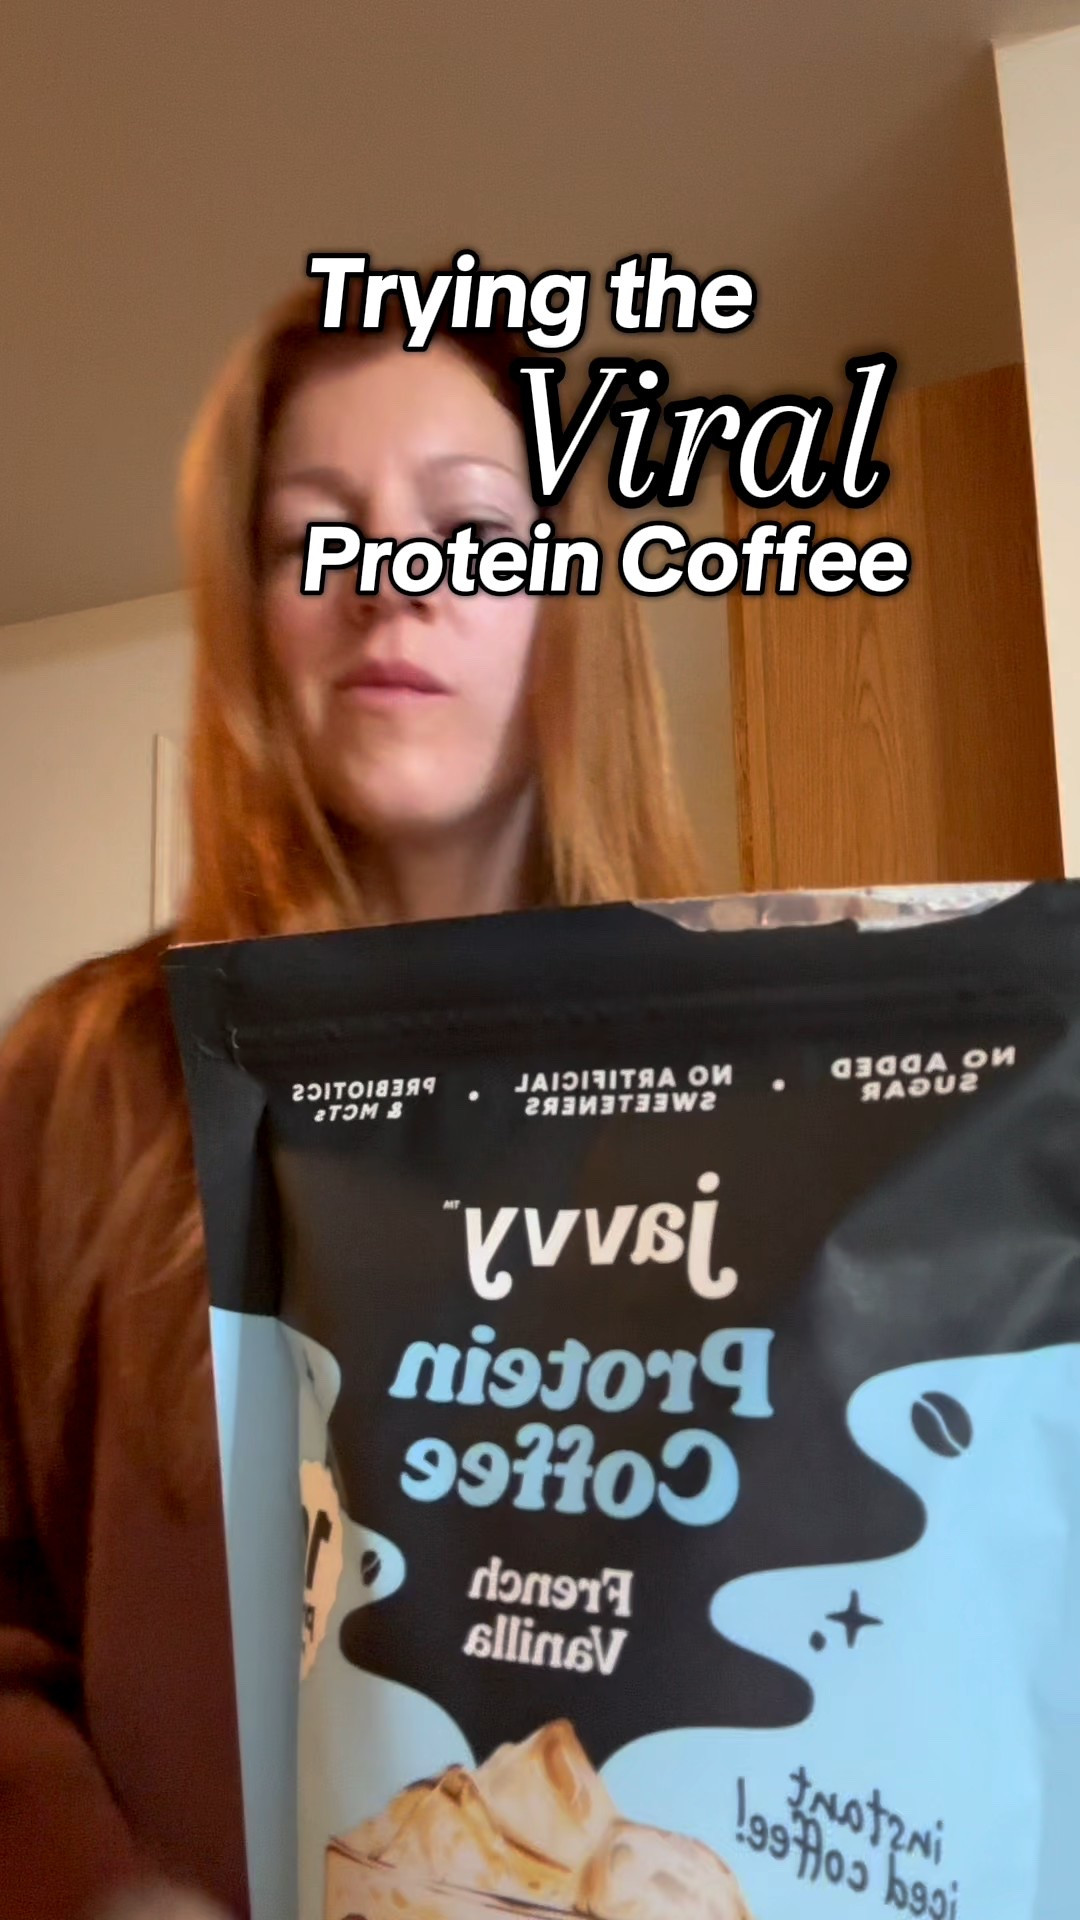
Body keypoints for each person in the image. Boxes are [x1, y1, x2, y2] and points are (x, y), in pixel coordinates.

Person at [0, 276, 703, 1920]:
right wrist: (103, 1893)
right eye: (317, 534)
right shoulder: (80, 1083)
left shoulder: (783, 1094)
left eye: (469, 528)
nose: (390, 584)